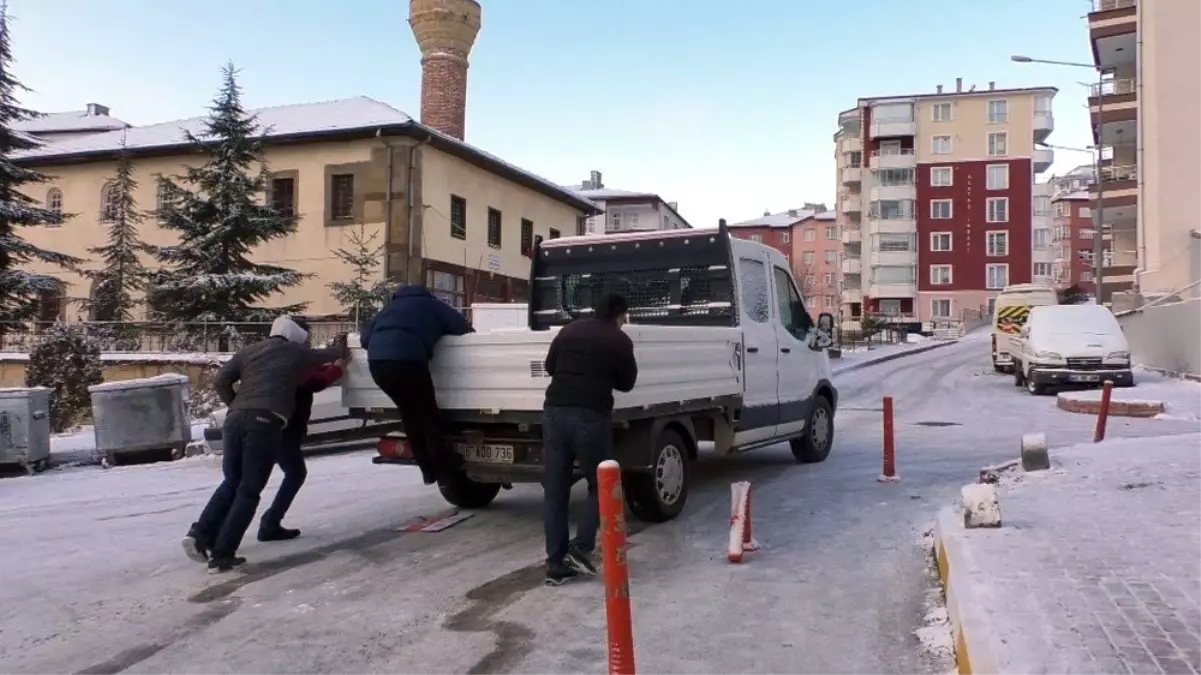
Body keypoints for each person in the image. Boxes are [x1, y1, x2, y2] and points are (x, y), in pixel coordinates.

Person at [182, 316, 346, 574]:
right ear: (296, 337)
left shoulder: (249, 351)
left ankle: (199, 533)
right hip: (264, 422)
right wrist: (342, 352)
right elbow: (330, 355)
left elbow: (220, 381)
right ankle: (223, 554)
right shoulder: (295, 352)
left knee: (232, 482)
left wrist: (236, 405)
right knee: (249, 489)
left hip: (235, 420)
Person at [541, 293, 638, 586]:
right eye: (624, 318)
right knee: (603, 483)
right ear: (620, 315)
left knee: (555, 491)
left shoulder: (569, 330)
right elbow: (627, 383)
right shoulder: (618, 339)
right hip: (589, 417)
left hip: (554, 414)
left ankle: (556, 563)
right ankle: (581, 548)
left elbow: (549, 367)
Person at [360, 285, 473, 485]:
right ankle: (443, 467)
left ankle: (427, 470)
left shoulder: (388, 308)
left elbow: (364, 338)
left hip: (377, 365)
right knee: (428, 414)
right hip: (409, 362)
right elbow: (462, 327)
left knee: (409, 414)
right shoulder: (432, 305)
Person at [257, 320, 345, 542]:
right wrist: (337, 368)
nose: (308, 340)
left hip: (267, 424)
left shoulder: (269, 353)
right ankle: (268, 523)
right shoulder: (291, 355)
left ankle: (211, 533)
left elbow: (314, 370)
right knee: (292, 473)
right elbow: (312, 381)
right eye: (306, 336)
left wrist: (333, 364)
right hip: (282, 426)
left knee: (248, 480)